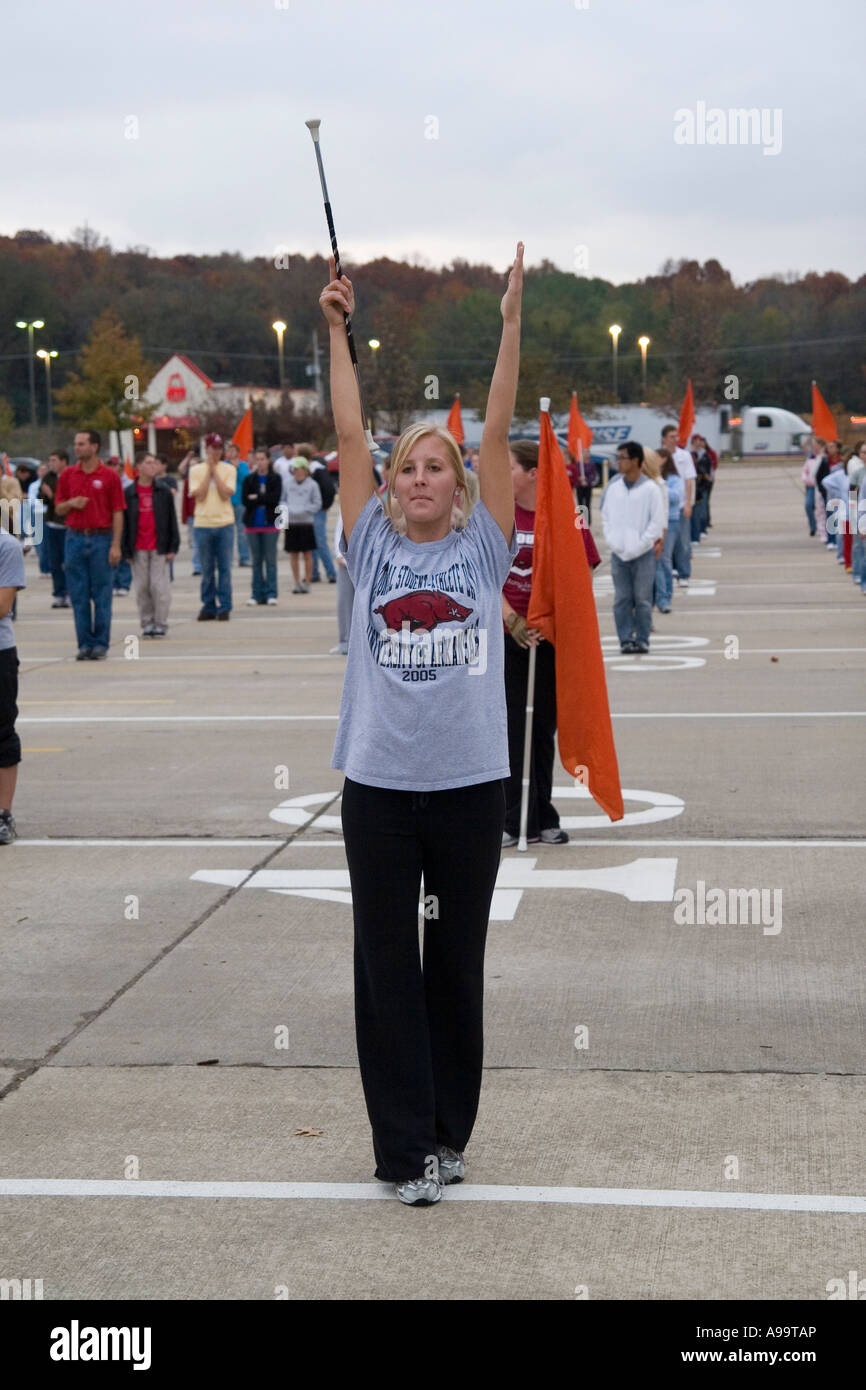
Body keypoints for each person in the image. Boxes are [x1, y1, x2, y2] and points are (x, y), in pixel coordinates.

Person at [322, 242, 524, 1206]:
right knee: (385, 968)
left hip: (468, 785)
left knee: (455, 963)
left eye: (435, 468)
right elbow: (349, 434)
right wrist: (335, 331)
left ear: (459, 486)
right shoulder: (368, 546)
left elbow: (496, 432)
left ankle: (449, 1135)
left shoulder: (485, 552)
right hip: (379, 788)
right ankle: (402, 1151)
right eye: (409, 468)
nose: (419, 480)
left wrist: (510, 330)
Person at [501, 440, 572, 849]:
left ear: (531, 473)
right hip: (508, 636)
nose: (501, 473)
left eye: (509, 466)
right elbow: (485, 575)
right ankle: (513, 819)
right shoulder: (496, 515)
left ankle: (543, 814)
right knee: (511, 730)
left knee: (541, 730)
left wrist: (547, 619)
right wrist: (511, 618)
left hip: (546, 639)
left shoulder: (559, 516)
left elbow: (579, 574)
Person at [54, 430, 126, 660]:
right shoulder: (67, 475)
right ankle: (84, 643)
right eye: (76, 444)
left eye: (82, 444)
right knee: (78, 594)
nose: (77, 448)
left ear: (95, 447)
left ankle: (100, 644)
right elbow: (58, 508)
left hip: (101, 538)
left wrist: (116, 545)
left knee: (102, 594)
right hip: (74, 538)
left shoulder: (109, 476)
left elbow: (117, 512)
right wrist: (71, 503)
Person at [600, 441, 665, 653]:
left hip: (643, 554)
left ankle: (643, 638)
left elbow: (656, 522)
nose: (619, 462)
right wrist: (613, 541)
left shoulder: (650, 489)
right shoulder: (614, 487)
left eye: (623, 458)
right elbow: (606, 516)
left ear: (636, 461)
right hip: (619, 554)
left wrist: (641, 544)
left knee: (643, 599)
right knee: (622, 599)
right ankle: (625, 638)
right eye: (618, 458)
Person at [122, 453, 180, 637]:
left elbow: (172, 520)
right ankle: (147, 622)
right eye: (148, 463)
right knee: (142, 587)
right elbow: (124, 523)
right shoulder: (129, 493)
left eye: (154, 463)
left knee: (159, 586)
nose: (152, 466)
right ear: (138, 467)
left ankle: (160, 622)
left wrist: (173, 546)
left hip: (159, 546)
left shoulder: (163, 491)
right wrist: (125, 549)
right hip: (138, 546)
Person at [0, 494, 27, 845]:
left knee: (2, 732)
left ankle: (3, 814)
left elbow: (3, 605)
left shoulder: (7, 546)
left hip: (0, 654)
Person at [190, 434, 236, 621]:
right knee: (207, 569)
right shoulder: (195, 470)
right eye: (212, 448)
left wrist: (214, 472)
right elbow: (198, 496)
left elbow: (226, 494)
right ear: (206, 449)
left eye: (218, 448)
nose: (215, 452)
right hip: (203, 524)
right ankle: (208, 605)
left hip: (224, 523)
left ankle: (224, 606)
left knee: (224, 569)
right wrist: (208, 471)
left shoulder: (228, 469)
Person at [241, 446, 282, 605]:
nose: (260, 462)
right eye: (257, 459)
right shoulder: (249, 479)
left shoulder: (275, 478)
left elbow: (274, 499)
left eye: (262, 459)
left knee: (270, 561)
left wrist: (256, 497)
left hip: (271, 524)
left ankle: (271, 593)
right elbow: (245, 500)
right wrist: (262, 498)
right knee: (256, 562)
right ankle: (256, 594)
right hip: (252, 525)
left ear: (268, 460)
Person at [660, 424, 695, 587]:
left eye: (676, 436)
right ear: (664, 439)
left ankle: (684, 573)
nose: (675, 439)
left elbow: (689, 481)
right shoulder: (657, 456)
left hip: (679, 506)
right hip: (661, 508)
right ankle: (670, 571)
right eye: (671, 437)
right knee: (665, 544)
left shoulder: (684, 456)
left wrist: (688, 503)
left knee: (683, 542)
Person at [282, 457, 322, 593]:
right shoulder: (286, 483)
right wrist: (284, 517)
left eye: (299, 469)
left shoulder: (313, 484)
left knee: (308, 554)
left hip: (306, 523)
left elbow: (317, 504)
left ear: (305, 470)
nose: (297, 472)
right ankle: (297, 582)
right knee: (293, 554)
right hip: (292, 523)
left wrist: (304, 510)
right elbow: (281, 501)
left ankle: (308, 582)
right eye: (295, 469)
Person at [301, 444, 338, 584]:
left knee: (320, 542)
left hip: (316, 511)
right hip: (314, 510)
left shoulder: (315, 470)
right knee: (313, 543)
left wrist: (323, 505)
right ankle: (314, 572)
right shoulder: (318, 468)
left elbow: (328, 490)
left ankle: (331, 572)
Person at [38, 450, 70, 607]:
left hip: (68, 526)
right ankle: (58, 594)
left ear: (64, 461)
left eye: (54, 460)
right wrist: (46, 495)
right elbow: (41, 498)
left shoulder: (71, 476)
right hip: (52, 524)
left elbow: (67, 501)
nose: (51, 463)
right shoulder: (48, 477)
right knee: (55, 562)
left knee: (69, 562)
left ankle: (70, 593)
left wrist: (52, 495)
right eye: (50, 460)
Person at [654, 450, 685, 613]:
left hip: (671, 521)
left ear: (665, 459)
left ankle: (666, 594)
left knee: (664, 559)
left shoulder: (672, 478)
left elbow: (676, 497)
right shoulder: (653, 479)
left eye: (657, 457)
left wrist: (661, 488)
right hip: (656, 522)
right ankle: (661, 595)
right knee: (658, 561)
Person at [226, 440, 251, 568]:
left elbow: (247, 480)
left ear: (237, 453)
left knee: (242, 531)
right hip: (226, 503)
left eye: (232, 451)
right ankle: (227, 559)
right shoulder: (223, 465)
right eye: (228, 451)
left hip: (240, 502)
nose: (230, 453)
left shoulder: (243, 465)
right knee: (228, 532)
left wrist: (236, 468)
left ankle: (245, 557)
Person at [178, 449, 202, 574]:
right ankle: (197, 566)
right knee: (195, 542)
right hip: (192, 516)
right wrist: (184, 517)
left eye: (195, 465)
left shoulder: (205, 479)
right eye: (191, 466)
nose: (192, 468)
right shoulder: (188, 481)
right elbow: (185, 501)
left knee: (203, 542)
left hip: (204, 515)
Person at [801, 435, 820, 537]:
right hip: (811, 486)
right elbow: (804, 447)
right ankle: (813, 527)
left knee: (820, 508)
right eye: (814, 446)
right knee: (809, 505)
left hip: (821, 486)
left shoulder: (823, 457)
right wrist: (809, 437)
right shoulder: (810, 456)